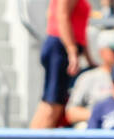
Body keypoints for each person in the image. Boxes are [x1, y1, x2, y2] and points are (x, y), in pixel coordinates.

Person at [30, 0, 89, 129]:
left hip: (62, 48)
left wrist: (87, 57)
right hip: (60, 49)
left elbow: (79, 28)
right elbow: (62, 16)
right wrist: (71, 50)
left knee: (51, 102)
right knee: (53, 105)